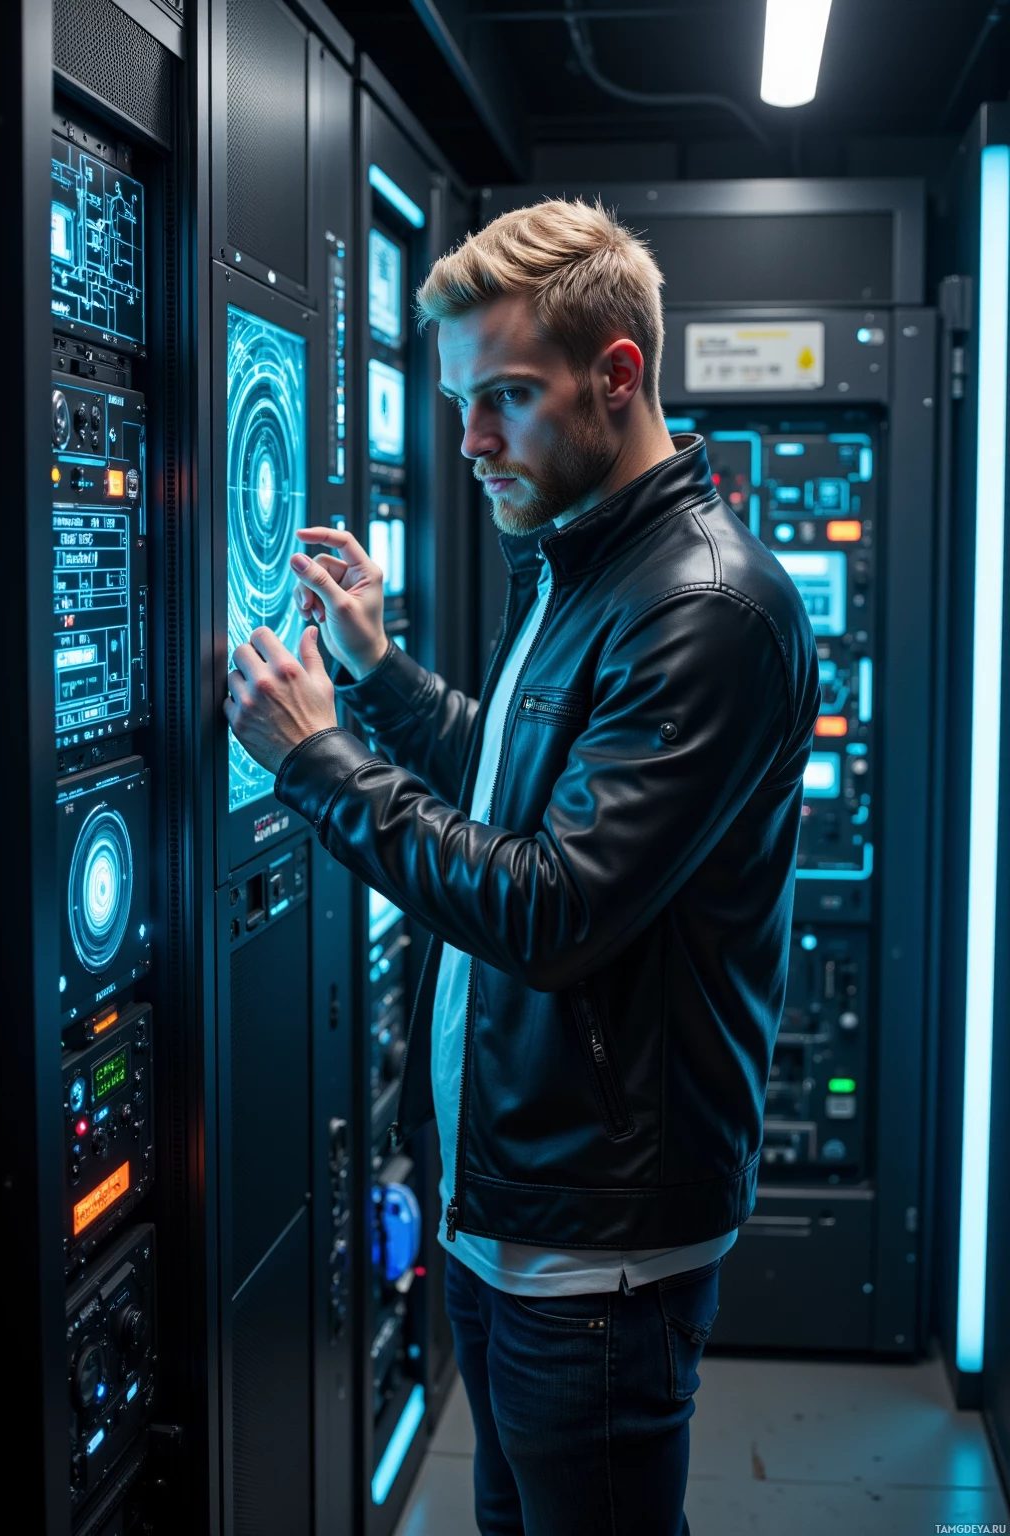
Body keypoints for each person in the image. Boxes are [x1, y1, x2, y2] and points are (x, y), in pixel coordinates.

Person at [224, 198, 820, 1536]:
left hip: (595, 1260)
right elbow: (510, 778)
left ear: (617, 377)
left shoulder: (707, 611)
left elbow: (552, 908)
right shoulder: (581, 563)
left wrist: (317, 762)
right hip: (518, 1222)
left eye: (504, 397)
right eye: (460, 401)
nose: (470, 440)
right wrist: (374, 676)